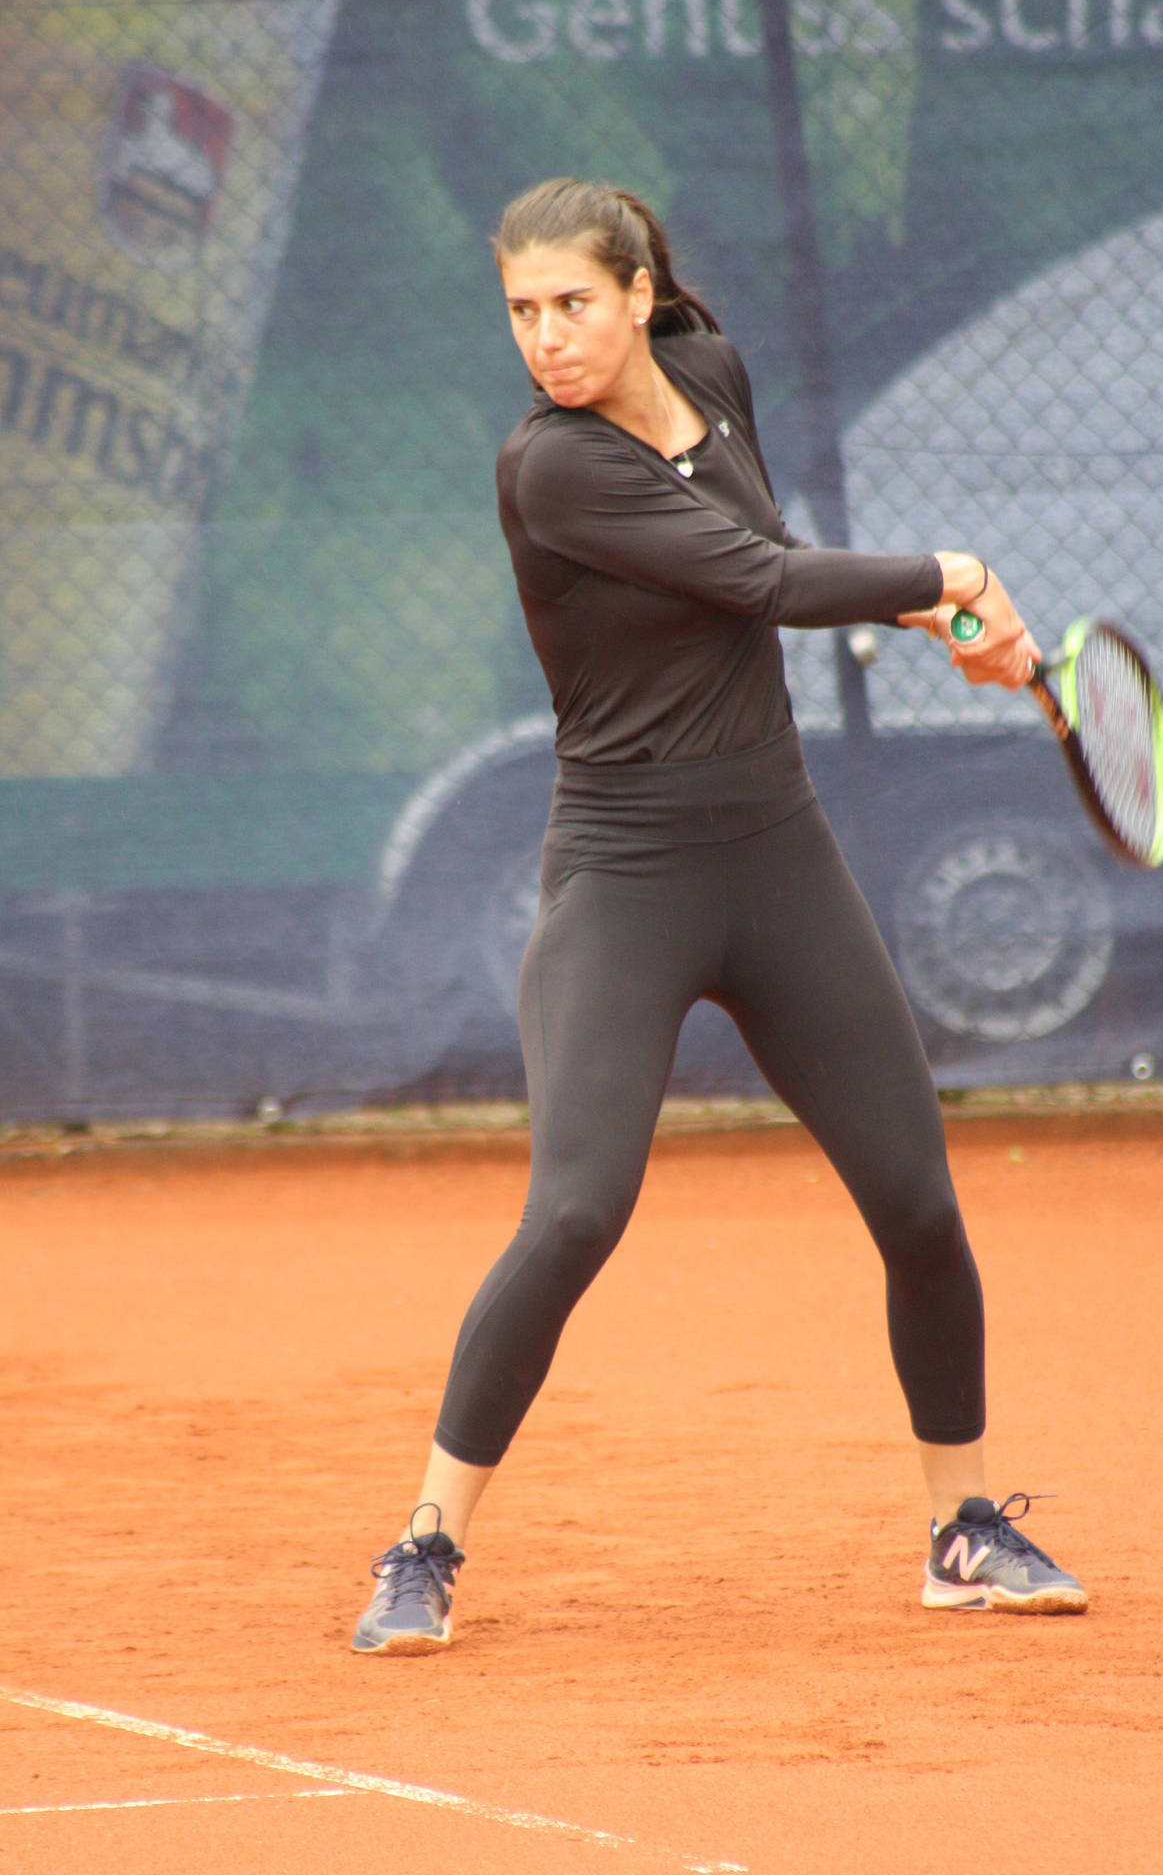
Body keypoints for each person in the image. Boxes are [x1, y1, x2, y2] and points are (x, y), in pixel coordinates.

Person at [352, 177, 1087, 1655]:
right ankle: (426, 1542)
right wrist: (948, 580)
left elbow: (771, 553)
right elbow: (752, 577)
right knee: (573, 1211)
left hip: (778, 852)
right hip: (626, 873)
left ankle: (963, 1528)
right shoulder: (549, 469)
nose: (546, 339)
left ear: (640, 295)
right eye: (521, 312)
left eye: (571, 303)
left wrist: (957, 641)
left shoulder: (714, 374)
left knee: (921, 1202)